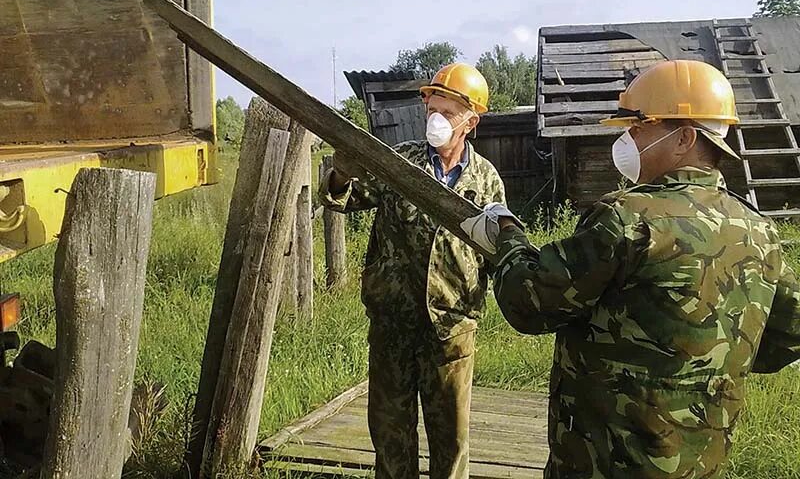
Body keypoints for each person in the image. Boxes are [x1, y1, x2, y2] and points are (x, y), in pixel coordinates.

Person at [464, 59, 800, 478]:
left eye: (639, 128)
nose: (627, 138)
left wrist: (506, 238)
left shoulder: (628, 217)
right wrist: (708, 369)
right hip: (700, 461)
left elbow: (529, 302)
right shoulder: (759, 230)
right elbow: (788, 333)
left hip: (603, 459)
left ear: (685, 137)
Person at [319, 62, 507, 479]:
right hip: (393, 325)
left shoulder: (487, 180)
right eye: (432, 109)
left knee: (451, 443)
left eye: (448, 112)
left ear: (471, 121)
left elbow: (494, 250)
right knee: (390, 435)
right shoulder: (400, 161)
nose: (436, 119)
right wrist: (340, 173)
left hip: (450, 330)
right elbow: (342, 199)